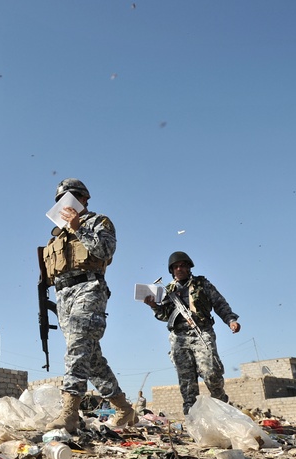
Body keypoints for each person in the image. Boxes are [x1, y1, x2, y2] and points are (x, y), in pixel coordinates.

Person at [40, 178, 136, 434]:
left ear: (83, 199)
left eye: (71, 197)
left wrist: (78, 227)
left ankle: (69, 413)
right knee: (90, 358)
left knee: (77, 347)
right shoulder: (57, 235)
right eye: (61, 199)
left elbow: (105, 250)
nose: (65, 203)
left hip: (89, 288)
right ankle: (124, 408)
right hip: (63, 296)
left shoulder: (97, 222)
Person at [144, 251, 239, 414]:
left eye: (182, 266)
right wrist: (153, 306)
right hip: (179, 337)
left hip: (201, 331)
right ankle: (192, 415)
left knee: (211, 372)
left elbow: (219, 303)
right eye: (176, 267)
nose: (179, 269)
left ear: (189, 267)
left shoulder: (202, 284)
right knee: (186, 381)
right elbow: (164, 316)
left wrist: (230, 320)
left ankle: (221, 405)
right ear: (172, 270)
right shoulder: (168, 290)